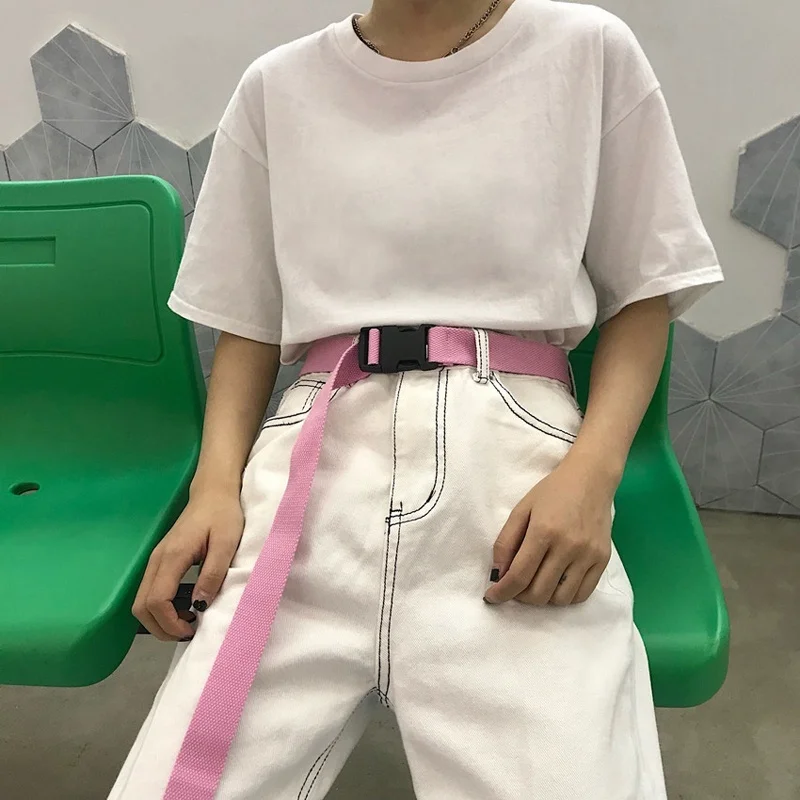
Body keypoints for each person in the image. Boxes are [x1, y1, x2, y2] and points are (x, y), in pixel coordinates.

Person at [110, 1, 723, 798]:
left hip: (510, 471)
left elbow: (645, 293)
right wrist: (213, 489)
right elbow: (247, 326)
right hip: (311, 461)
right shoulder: (276, 86)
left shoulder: (587, 50)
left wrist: (592, 477)